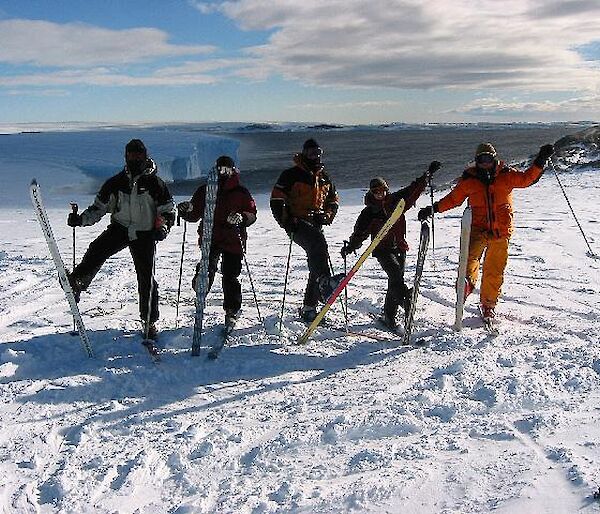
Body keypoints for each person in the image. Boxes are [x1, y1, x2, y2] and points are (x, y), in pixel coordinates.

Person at [418, 142, 554, 320]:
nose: (485, 163)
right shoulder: (469, 180)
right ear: (476, 161)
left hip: (501, 231)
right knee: (469, 258)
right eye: (481, 159)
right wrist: (433, 209)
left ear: (494, 158)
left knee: (494, 270)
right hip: (477, 229)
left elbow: (527, 179)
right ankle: (466, 283)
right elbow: (453, 199)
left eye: (488, 158)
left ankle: (488, 304)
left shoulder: (506, 175)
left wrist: (540, 160)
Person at [66, 139, 175, 339]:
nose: (134, 159)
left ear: (145, 156)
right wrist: (80, 220)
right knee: (97, 249)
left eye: (138, 155)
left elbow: (167, 211)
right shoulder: (115, 183)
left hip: (144, 233)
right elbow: (98, 208)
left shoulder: (155, 183)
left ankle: (149, 322)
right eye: (131, 155)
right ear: (126, 157)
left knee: (146, 278)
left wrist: (163, 228)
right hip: (120, 228)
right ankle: (79, 280)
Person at [341, 162, 441, 329]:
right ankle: (405, 299)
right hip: (382, 250)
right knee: (395, 275)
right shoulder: (369, 212)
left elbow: (413, 189)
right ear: (371, 193)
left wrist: (427, 176)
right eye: (376, 191)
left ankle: (389, 316)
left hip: (400, 248)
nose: (379, 194)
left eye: (382, 190)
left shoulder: (396, 201)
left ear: (386, 189)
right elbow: (360, 233)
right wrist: (351, 246)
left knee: (394, 282)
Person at [177, 155, 257, 327]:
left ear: (233, 170)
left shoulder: (241, 192)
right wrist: (186, 210)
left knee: (230, 274)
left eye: (227, 169)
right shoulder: (205, 189)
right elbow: (194, 212)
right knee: (207, 266)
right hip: (210, 235)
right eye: (220, 168)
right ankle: (201, 286)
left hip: (233, 238)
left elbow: (252, 213)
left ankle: (232, 310)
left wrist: (242, 218)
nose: (223, 172)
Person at [270, 138, 340, 322]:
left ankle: (309, 307)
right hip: (297, 223)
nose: (315, 156)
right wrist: (286, 221)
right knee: (318, 244)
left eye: (318, 152)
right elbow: (277, 200)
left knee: (317, 259)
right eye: (311, 153)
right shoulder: (291, 175)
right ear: (304, 154)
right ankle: (325, 283)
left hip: (316, 224)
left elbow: (333, 200)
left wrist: (327, 216)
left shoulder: (324, 177)